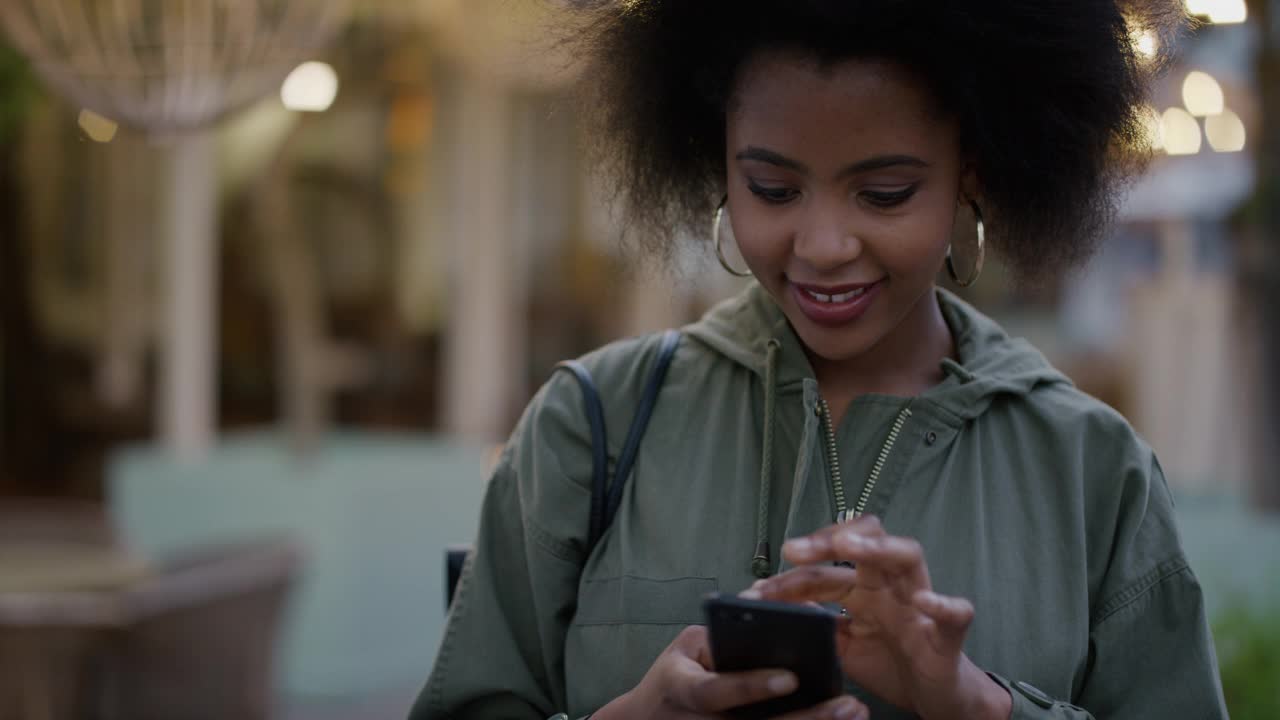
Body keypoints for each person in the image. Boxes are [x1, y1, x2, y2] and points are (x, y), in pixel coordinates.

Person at [410, 2, 1229, 718]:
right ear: (717, 156)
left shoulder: (1089, 469)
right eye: (772, 188)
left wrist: (980, 706)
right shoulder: (590, 427)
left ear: (970, 169)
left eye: (884, 194)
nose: (824, 246)